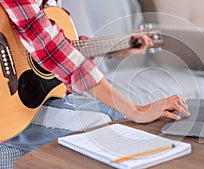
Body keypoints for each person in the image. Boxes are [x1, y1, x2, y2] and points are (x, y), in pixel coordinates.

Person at [0, 0, 190, 168]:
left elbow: (55, 45)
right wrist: (136, 110)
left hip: (29, 101)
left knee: (114, 116)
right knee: (109, 119)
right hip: (6, 116)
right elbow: (54, 50)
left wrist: (115, 48)